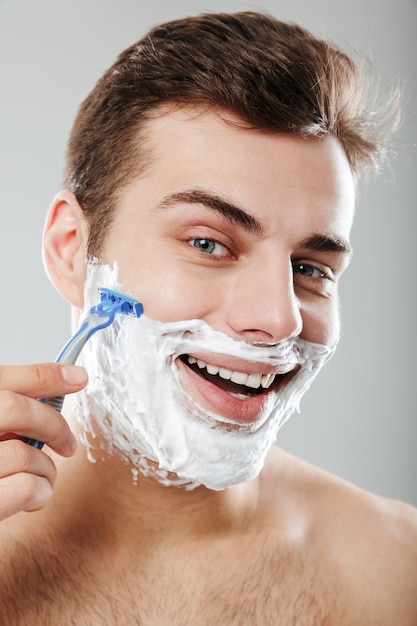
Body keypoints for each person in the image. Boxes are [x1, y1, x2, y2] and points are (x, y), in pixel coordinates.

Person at [0, 11, 415, 625]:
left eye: (311, 269)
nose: (280, 320)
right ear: (71, 248)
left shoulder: (397, 572)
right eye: (208, 244)